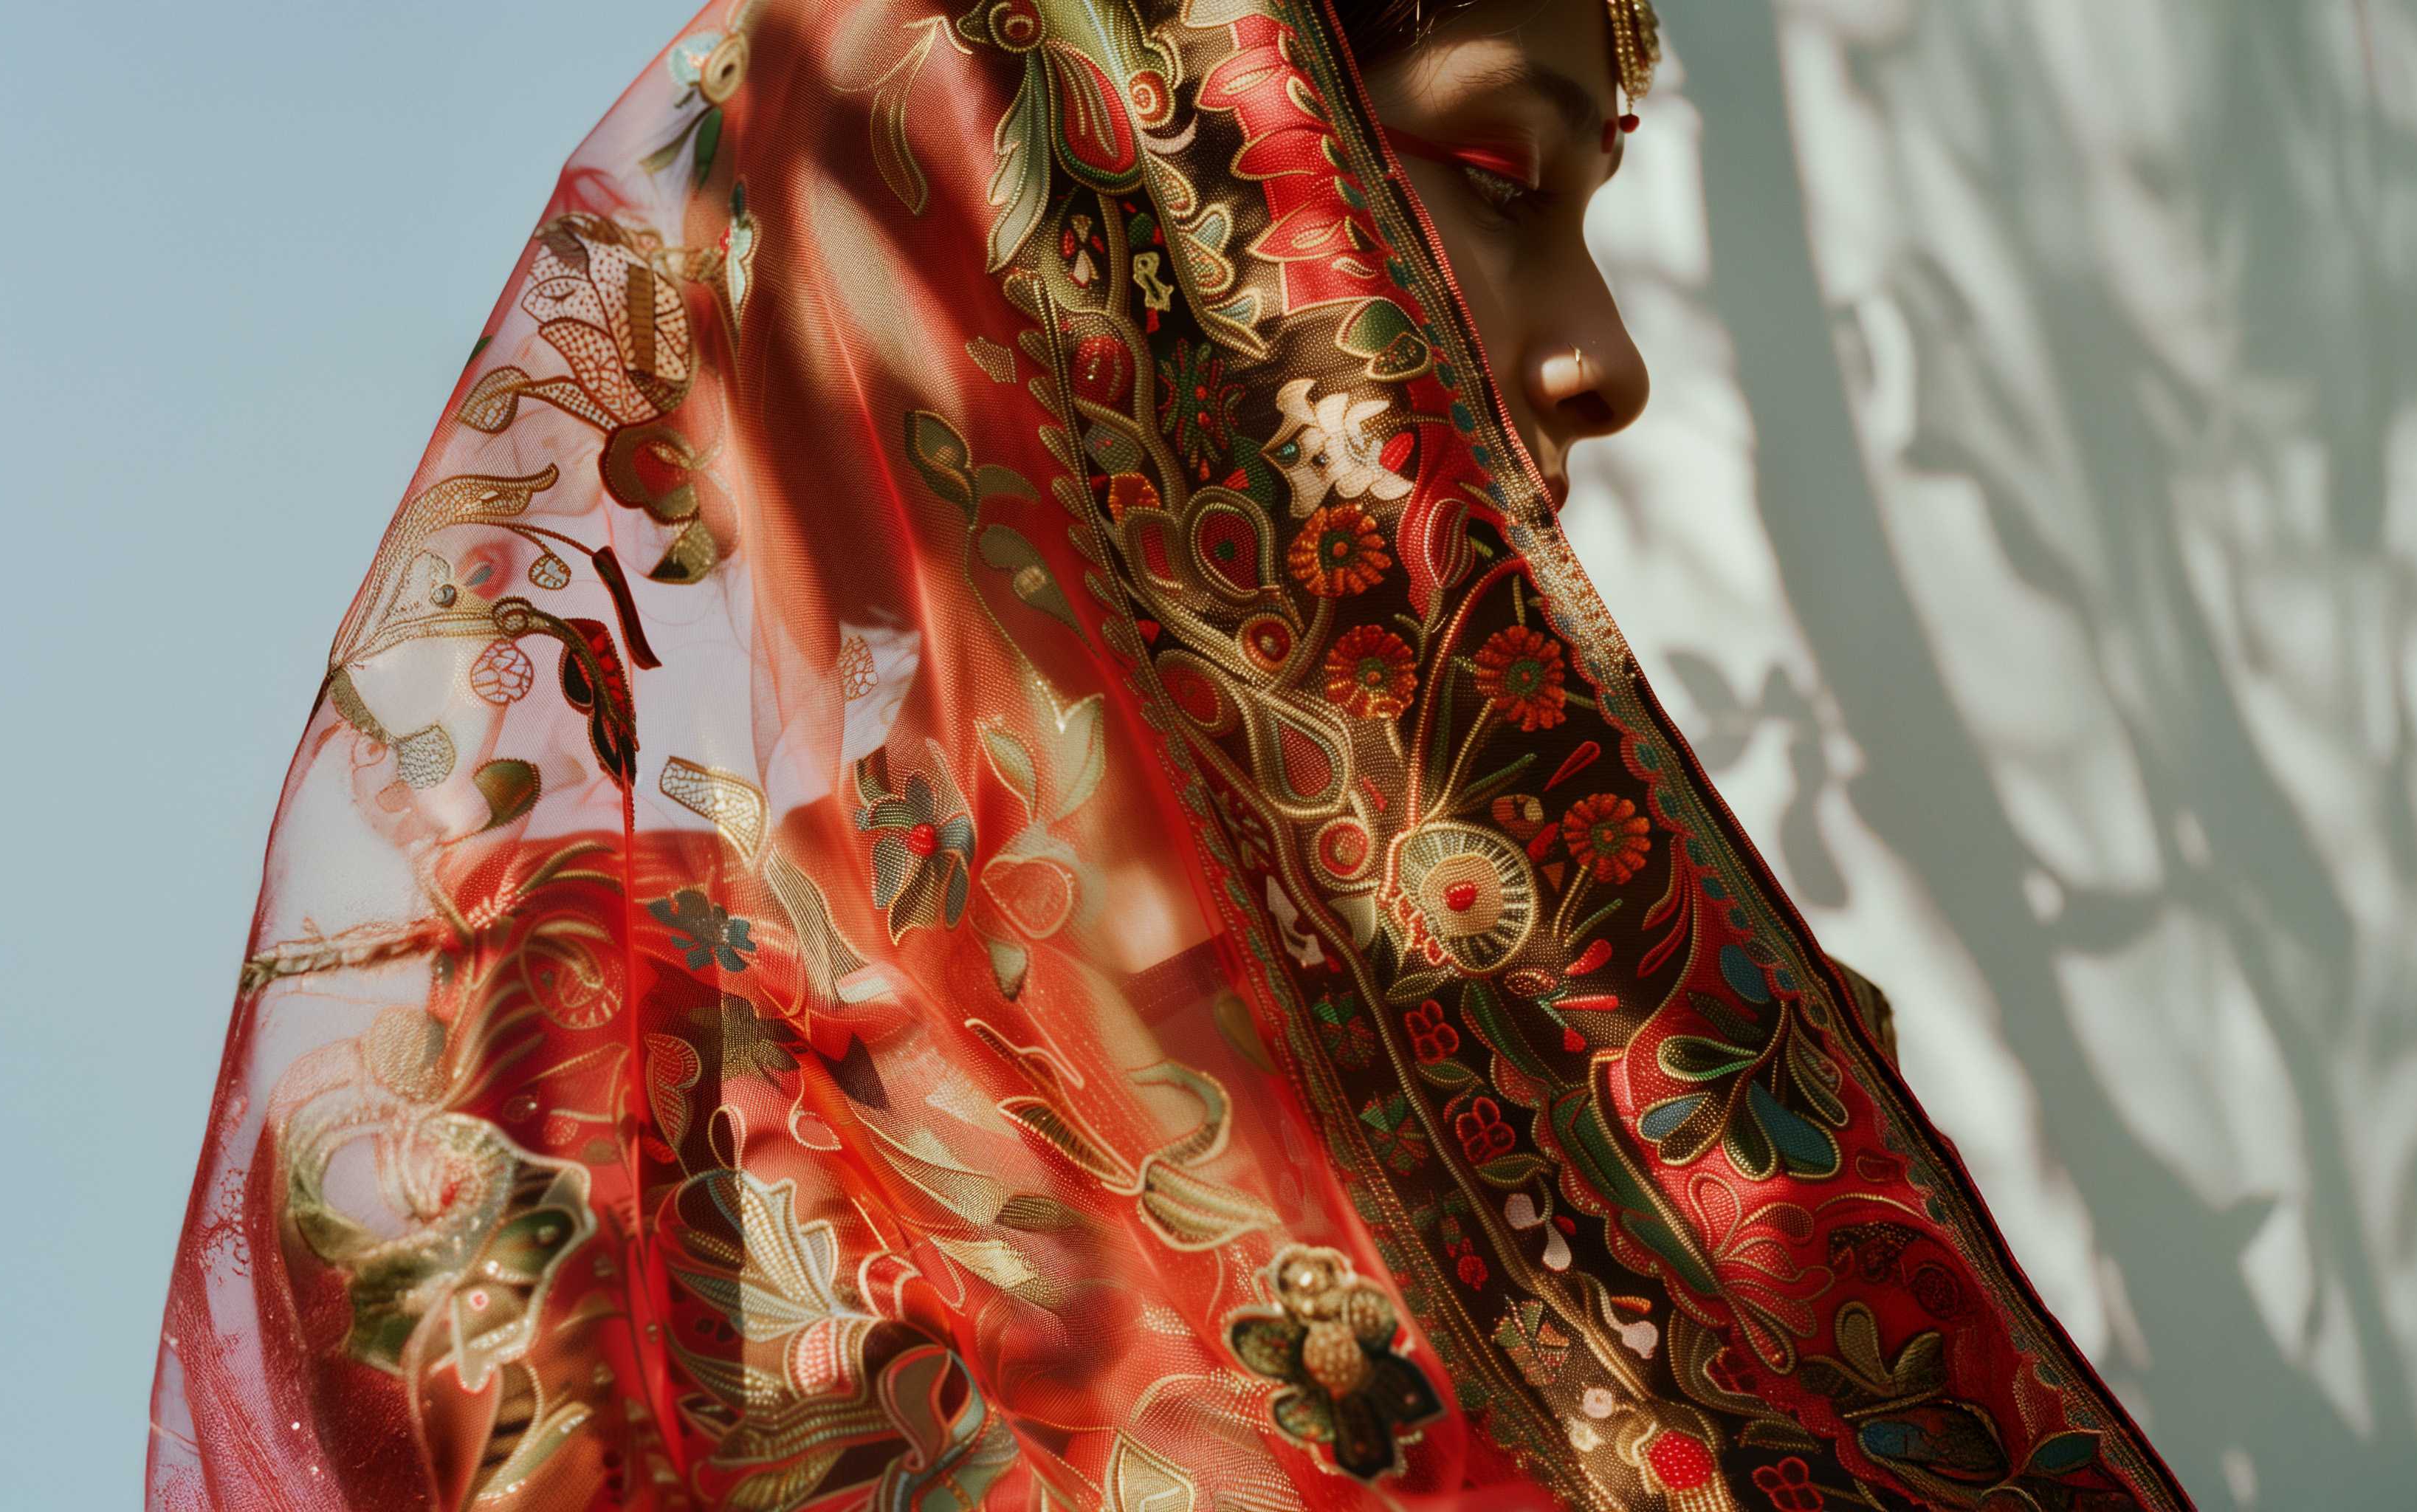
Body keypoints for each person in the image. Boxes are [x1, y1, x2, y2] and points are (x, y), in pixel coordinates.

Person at [148, 1, 2189, 1507]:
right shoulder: (579, 1121)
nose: (1605, 362)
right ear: (1083, 207)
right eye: (1497, 179)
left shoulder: (1672, 1108)